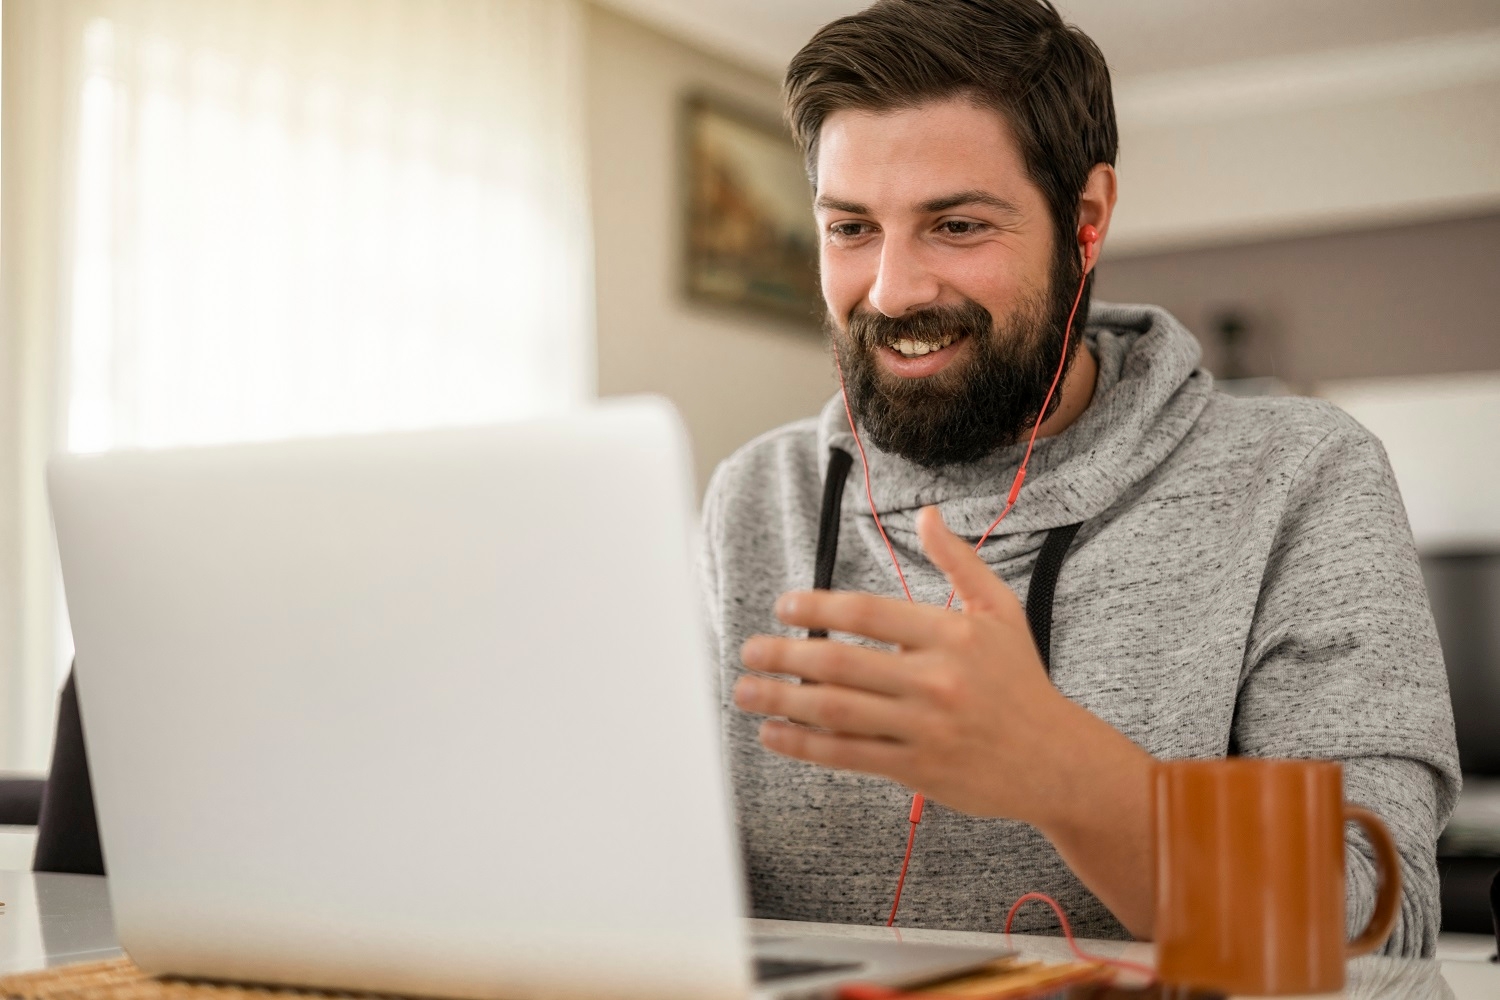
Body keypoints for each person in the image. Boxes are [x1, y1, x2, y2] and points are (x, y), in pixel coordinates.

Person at [703, 0, 1459, 955]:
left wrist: (1062, 773)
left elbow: (1376, 934)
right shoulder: (751, 498)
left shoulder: (1299, 477)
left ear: (1086, 218)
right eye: (852, 229)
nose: (892, 290)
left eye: (958, 224)